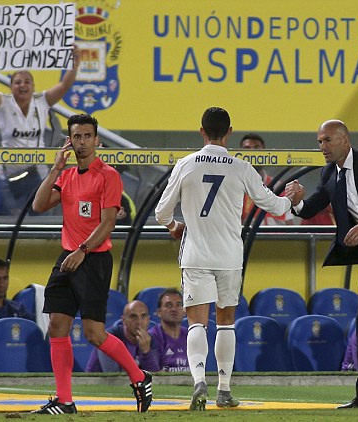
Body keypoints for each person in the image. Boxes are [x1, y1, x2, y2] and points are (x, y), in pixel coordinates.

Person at [154, 107, 295, 411]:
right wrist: (291, 197)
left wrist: (174, 226)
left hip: (195, 253)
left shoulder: (186, 165)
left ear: (201, 131)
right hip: (229, 255)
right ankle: (224, 390)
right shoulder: (241, 167)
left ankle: (198, 382)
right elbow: (272, 204)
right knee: (227, 322)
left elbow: (161, 212)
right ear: (229, 131)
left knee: (196, 323)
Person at [31, 113, 152, 414]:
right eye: (76, 137)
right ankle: (65, 401)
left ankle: (139, 377)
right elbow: (38, 205)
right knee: (57, 326)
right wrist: (55, 169)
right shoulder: (67, 176)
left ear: (97, 140)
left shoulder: (108, 175)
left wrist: (83, 250)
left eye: (87, 136)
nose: (82, 142)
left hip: (93, 259)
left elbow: (108, 222)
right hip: (68, 257)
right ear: (69, 141)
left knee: (93, 334)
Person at [286, 119, 358, 409]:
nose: (322, 146)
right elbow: (312, 207)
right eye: (320, 141)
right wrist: (297, 202)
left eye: (327, 140)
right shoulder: (329, 173)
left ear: (345, 140)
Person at [0, 44, 80, 214]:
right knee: (12, 219)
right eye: (17, 82)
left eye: (27, 82)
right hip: (9, 176)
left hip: (37, 175)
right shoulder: (3, 103)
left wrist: (75, 62)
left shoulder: (42, 101)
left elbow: (64, 86)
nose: (22, 85)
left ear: (33, 86)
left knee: (39, 220)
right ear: (11, 86)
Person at [85, 300, 159, 373]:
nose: (139, 322)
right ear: (124, 320)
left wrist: (146, 353)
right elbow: (112, 375)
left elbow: (155, 377)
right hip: (95, 383)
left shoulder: (150, 340)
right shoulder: (108, 338)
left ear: (148, 320)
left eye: (143, 316)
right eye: (133, 316)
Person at [240, 133, 294, 226]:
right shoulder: (238, 187)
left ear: (265, 152)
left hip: (277, 239)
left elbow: (289, 222)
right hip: (248, 239)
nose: (252, 153)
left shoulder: (279, 186)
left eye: (257, 148)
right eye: (247, 149)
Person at [148, 288, 189, 372]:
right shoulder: (152, 337)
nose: (174, 309)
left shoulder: (190, 335)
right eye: (168, 305)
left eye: (178, 305)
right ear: (159, 312)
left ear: (184, 311)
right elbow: (154, 373)